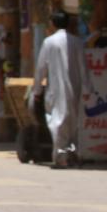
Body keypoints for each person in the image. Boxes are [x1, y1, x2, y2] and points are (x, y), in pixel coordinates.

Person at [30, 10, 84, 168]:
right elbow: (83, 68)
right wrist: (88, 88)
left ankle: (61, 158)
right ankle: (72, 154)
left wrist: (37, 90)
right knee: (73, 124)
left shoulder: (49, 42)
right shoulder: (77, 42)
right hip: (75, 88)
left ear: (53, 24)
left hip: (56, 90)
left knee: (57, 123)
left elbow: (41, 68)